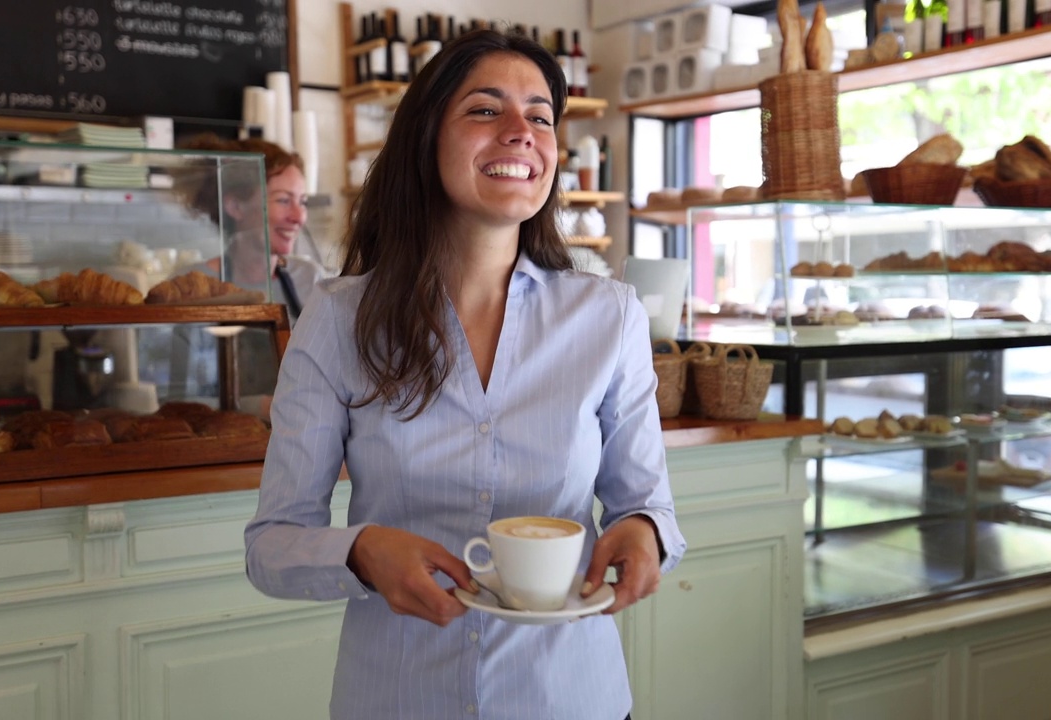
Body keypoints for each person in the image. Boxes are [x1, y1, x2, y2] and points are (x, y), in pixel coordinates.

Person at [244, 28, 685, 720]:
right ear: (426, 138)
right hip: (398, 697)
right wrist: (360, 553)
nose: (521, 132)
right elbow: (271, 546)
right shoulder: (337, 320)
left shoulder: (609, 317)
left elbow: (647, 504)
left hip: (569, 698)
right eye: (486, 110)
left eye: (541, 116)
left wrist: (644, 534)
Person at [182, 134, 331, 323]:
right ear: (235, 207)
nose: (299, 217)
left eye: (303, 202)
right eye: (283, 200)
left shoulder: (309, 279)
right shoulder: (191, 287)